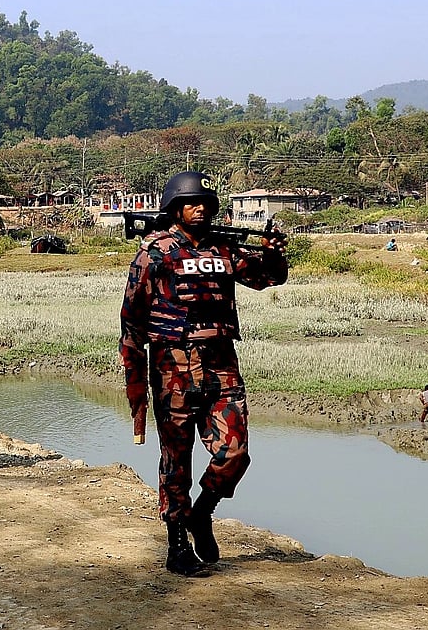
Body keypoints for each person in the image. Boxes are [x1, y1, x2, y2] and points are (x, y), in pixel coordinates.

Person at [120, 170, 288, 577]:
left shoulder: (224, 249)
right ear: (175, 208)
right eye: (191, 202)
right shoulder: (154, 253)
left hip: (221, 364)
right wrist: (135, 381)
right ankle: (177, 545)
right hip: (171, 365)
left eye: (204, 202)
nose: (200, 208)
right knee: (176, 458)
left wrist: (273, 252)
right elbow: (132, 320)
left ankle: (201, 513)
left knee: (235, 452)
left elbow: (269, 278)